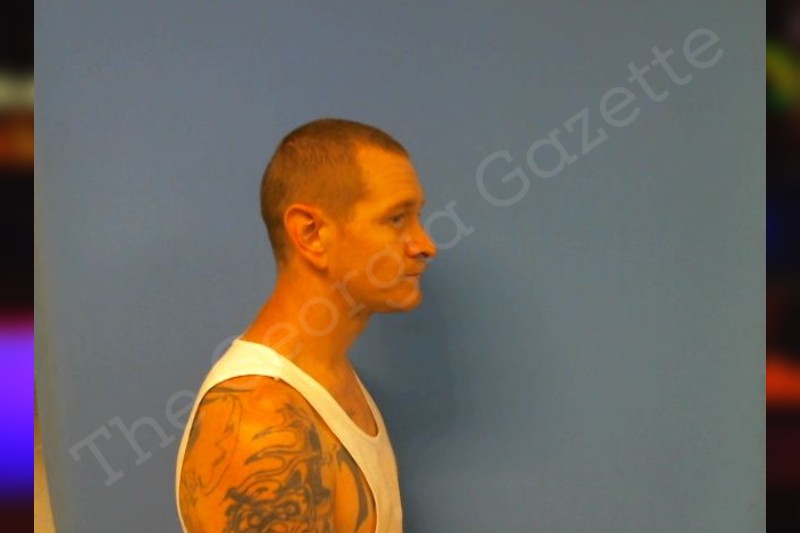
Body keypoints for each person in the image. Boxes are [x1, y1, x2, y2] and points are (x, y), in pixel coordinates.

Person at [175, 118, 437, 533]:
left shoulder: (331, 380)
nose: (424, 245)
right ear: (311, 234)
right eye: (396, 219)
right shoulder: (261, 420)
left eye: (417, 217)